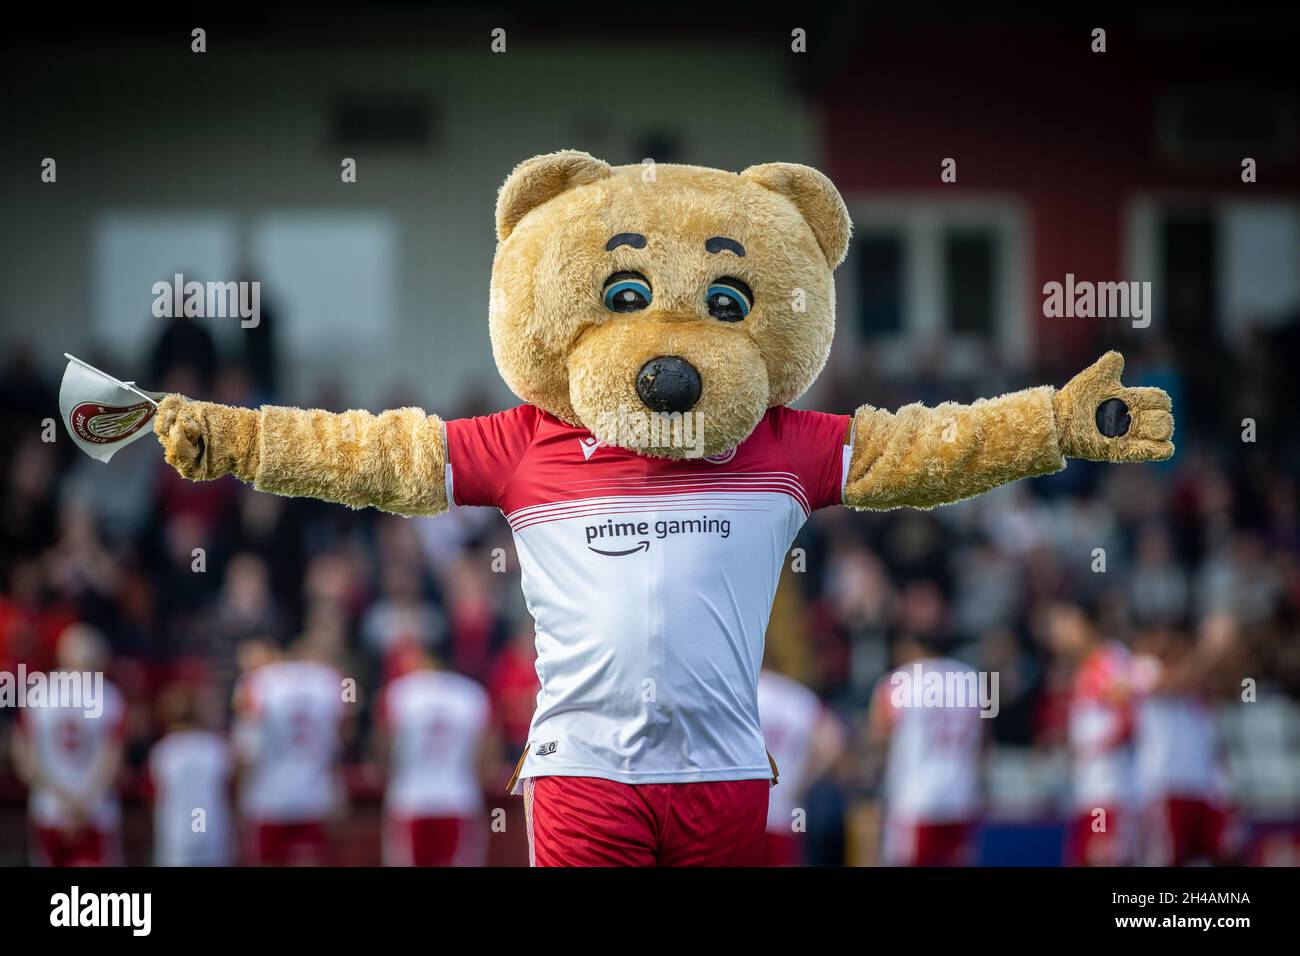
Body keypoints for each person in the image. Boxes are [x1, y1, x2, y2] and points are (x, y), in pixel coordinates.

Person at [11, 624, 125, 866]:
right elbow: (113, 758)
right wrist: (84, 800)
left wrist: (60, 797)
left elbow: (24, 755)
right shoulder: (109, 696)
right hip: (94, 808)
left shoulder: (38, 693)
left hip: (51, 806)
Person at [375, 642, 497, 866]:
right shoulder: (471, 694)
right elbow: (488, 758)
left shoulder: (399, 692)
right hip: (459, 799)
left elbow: (383, 752)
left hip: (410, 800)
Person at [1132, 613, 1240, 866]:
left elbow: (1233, 686)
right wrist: (1212, 648)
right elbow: (1171, 684)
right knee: (1166, 859)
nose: (1169, 644)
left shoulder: (1198, 673)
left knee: (1214, 858)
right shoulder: (1143, 668)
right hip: (1166, 785)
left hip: (1204, 787)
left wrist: (1227, 651)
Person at [870, 634, 984, 866]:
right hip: (961, 796)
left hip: (913, 800)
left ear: (911, 647)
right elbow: (983, 742)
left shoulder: (900, 680)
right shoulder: (972, 680)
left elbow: (879, 738)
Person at [232, 635, 346, 865]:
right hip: (315, 796)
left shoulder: (257, 684)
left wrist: (238, 795)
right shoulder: (332, 682)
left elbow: (246, 752)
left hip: (268, 799)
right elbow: (341, 738)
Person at [1047, 600, 1136, 866]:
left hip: (1113, 791)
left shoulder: (1110, 661)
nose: (1057, 635)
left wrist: (1089, 748)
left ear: (1086, 626)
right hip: (1090, 791)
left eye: (1065, 625)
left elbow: (1129, 720)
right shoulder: (1087, 668)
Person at [757, 665, 844, 866]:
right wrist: (802, 781)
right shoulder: (799, 697)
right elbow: (833, 743)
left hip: (745, 810)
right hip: (789, 810)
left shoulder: (741, 692)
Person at [147, 682, 235, 866]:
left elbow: (153, 796)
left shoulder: (164, 750)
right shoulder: (216, 748)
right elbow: (230, 790)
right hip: (213, 833)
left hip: (176, 836)